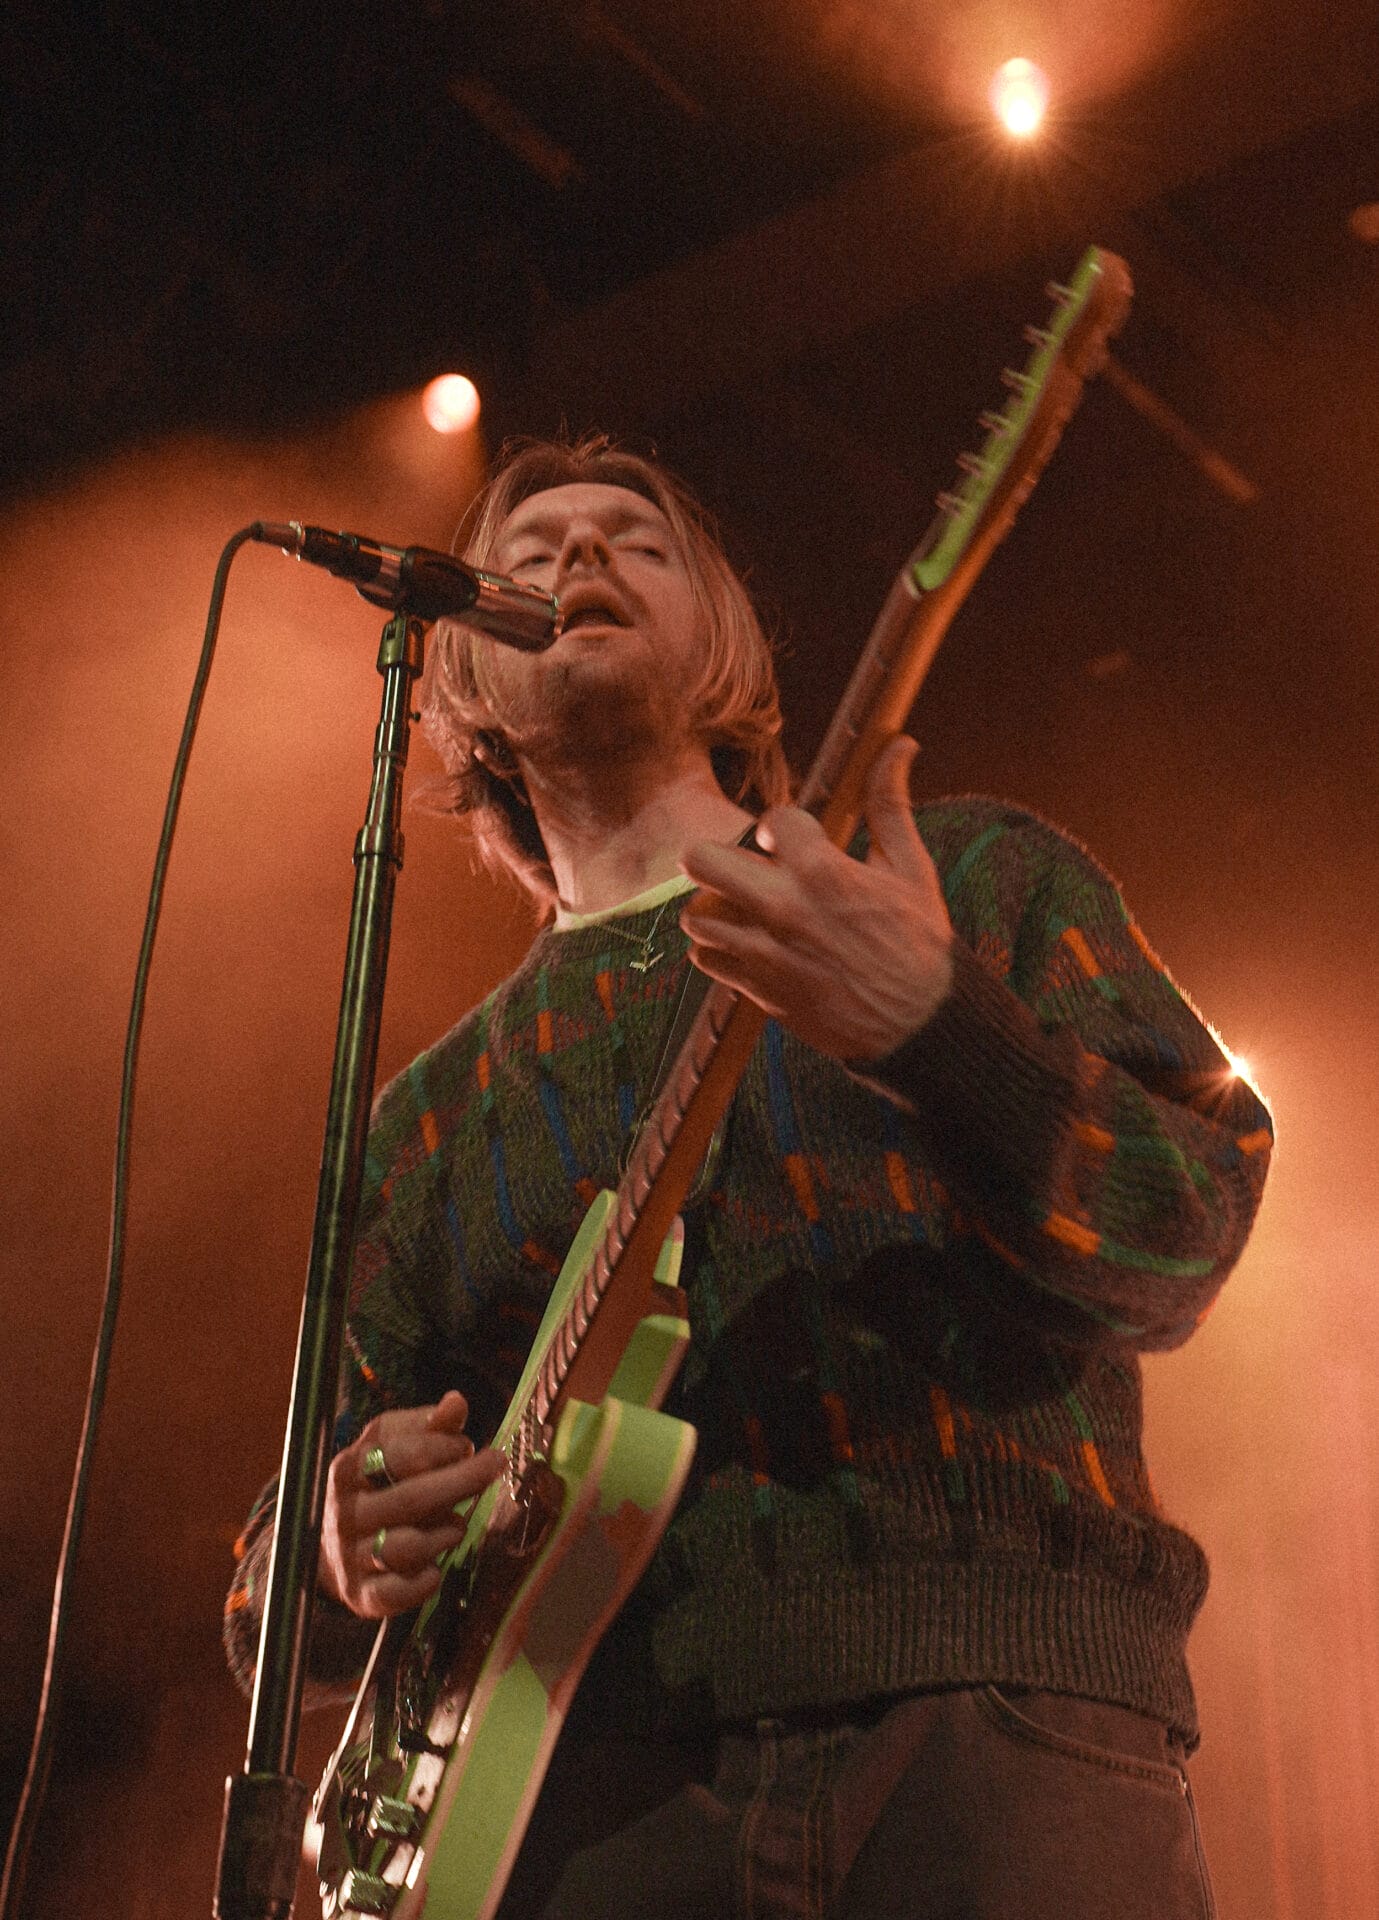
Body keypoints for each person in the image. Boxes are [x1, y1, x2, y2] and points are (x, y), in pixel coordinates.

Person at [225, 435, 1272, 1919]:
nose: (583, 556)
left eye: (638, 541)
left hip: (998, 1730)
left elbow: (1189, 1226)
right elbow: (266, 1594)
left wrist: (939, 1025)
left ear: (727, 645)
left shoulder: (966, 878)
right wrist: (330, 1543)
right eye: (532, 551)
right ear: (460, 674)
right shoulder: (428, 1119)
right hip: (581, 1806)